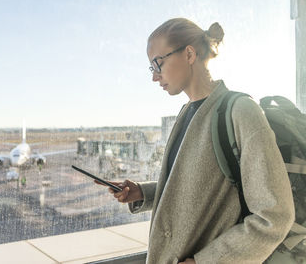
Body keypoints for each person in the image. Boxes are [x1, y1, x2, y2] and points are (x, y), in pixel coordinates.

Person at [97, 18, 295, 264]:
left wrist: (206, 261)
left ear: (189, 54)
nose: (155, 77)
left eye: (158, 63)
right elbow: (197, 186)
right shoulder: (186, 113)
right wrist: (144, 192)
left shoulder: (241, 111)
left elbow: (274, 215)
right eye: (152, 68)